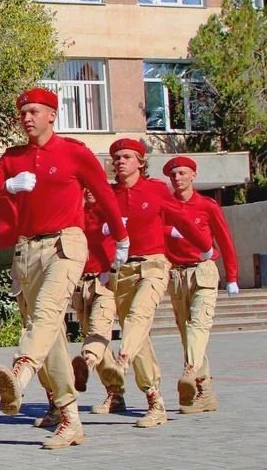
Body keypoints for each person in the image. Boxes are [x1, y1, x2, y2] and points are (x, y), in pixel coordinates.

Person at [0, 89, 129, 450]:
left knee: (47, 312)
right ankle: (69, 416)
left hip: (64, 244)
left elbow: (103, 194)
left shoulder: (74, 153)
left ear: (52, 115)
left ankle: (20, 374)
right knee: (49, 334)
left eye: (34, 111)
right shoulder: (12, 157)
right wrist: (6, 185)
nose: (27, 118)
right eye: (22, 112)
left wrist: (121, 238)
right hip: (26, 250)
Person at [75, 140, 211, 429]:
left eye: (126, 157)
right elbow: (91, 230)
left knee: (140, 314)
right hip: (123, 271)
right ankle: (155, 401)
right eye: (116, 158)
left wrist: (204, 247)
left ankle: (121, 361)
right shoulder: (108, 196)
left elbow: (182, 220)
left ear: (140, 161)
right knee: (139, 337)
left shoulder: (157, 190)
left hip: (154, 264)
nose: (120, 161)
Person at [162, 156, 240, 414]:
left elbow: (225, 239)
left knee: (199, 325)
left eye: (183, 173)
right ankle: (204, 390)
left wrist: (232, 277)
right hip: (177, 274)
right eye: (173, 174)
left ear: (193, 176)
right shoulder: (165, 206)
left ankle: (190, 371)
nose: (178, 178)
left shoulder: (207, 205)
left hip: (203, 271)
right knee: (189, 334)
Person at [47, 190, 123, 420]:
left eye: (93, 186)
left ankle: (86, 365)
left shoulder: (111, 209)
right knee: (95, 336)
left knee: (99, 330)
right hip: (81, 283)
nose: (90, 191)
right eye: (85, 187)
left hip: (106, 280)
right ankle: (115, 393)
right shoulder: (74, 213)